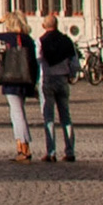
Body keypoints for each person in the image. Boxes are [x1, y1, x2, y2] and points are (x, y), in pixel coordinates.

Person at [0, 11, 39, 163]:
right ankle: (20, 146)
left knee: (17, 114)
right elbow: (33, 64)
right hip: (24, 80)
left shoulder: (10, 37)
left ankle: (24, 147)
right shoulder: (28, 39)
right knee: (17, 113)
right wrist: (33, 83)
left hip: (12, 80)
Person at [38, 13, 77, 163]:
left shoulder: (41, 41)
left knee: (49, 118)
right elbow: (74, 62)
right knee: (66, 117)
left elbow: (39, 61)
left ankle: (51, 152)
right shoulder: (67, 41)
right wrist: (70, 76)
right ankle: (70, 151)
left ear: (44, 26)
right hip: (62, 79)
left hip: (48, 79)